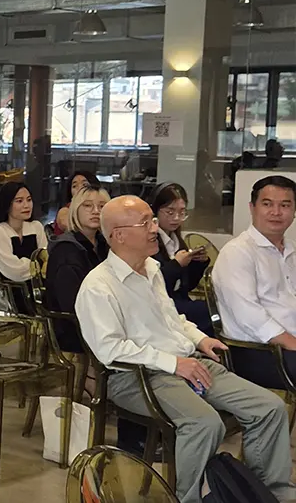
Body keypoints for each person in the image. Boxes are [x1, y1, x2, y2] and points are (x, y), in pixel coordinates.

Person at [76, 195, 295, 503]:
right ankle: (190, 499)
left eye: (153, 219)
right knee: (204, 424)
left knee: (269, 408)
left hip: (185, 361)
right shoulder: (98, 286)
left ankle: (268, 495)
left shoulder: (150, 268)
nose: (155, 228)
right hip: (136, 375)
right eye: (146, 222)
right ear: (119, 235)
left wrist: (199, 338)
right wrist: (174, 363)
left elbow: (172, 319)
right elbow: (110, 349)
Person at [213, 175, 296, 389]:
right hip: (258, 352)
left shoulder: (292, 251)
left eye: (285, 205)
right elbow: (250, 317)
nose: (276, 212)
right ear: (252, 207)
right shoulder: (238, 253)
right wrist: (293, 344)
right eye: (267, 204)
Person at [45, 186, 110, 352]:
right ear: (75, 210)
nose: (96, 211)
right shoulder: (66, 250)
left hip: (103, 318)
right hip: (73, 327)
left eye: (102, 206)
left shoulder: (104, 245)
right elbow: (72, 305)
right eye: (88, 205)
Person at [148, 183, 213, 336]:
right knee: (208, 312)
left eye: (182, 212)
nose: (176, 218)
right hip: (159, 305)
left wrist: (198, 263)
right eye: (170, 212)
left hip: (179, 301)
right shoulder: (149, 241)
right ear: (155, 211)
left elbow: (186, 286)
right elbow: (152, 284)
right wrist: (176, 264)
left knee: (215, 309)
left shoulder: (176, 239)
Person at [0, 182, 47, 313]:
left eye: (29, 200)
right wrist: (37, 266)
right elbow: (14, 271)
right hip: (11, 296)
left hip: (40, 290)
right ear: (7, 204)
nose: (26, 205)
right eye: (19, 201)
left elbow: (46, 258)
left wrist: (38, 265)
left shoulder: (36, 227)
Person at [53, 171, 100, 236]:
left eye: (85, 185)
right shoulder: (64, 211)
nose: (79, 188)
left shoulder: (99, 208)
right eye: (74, 186)